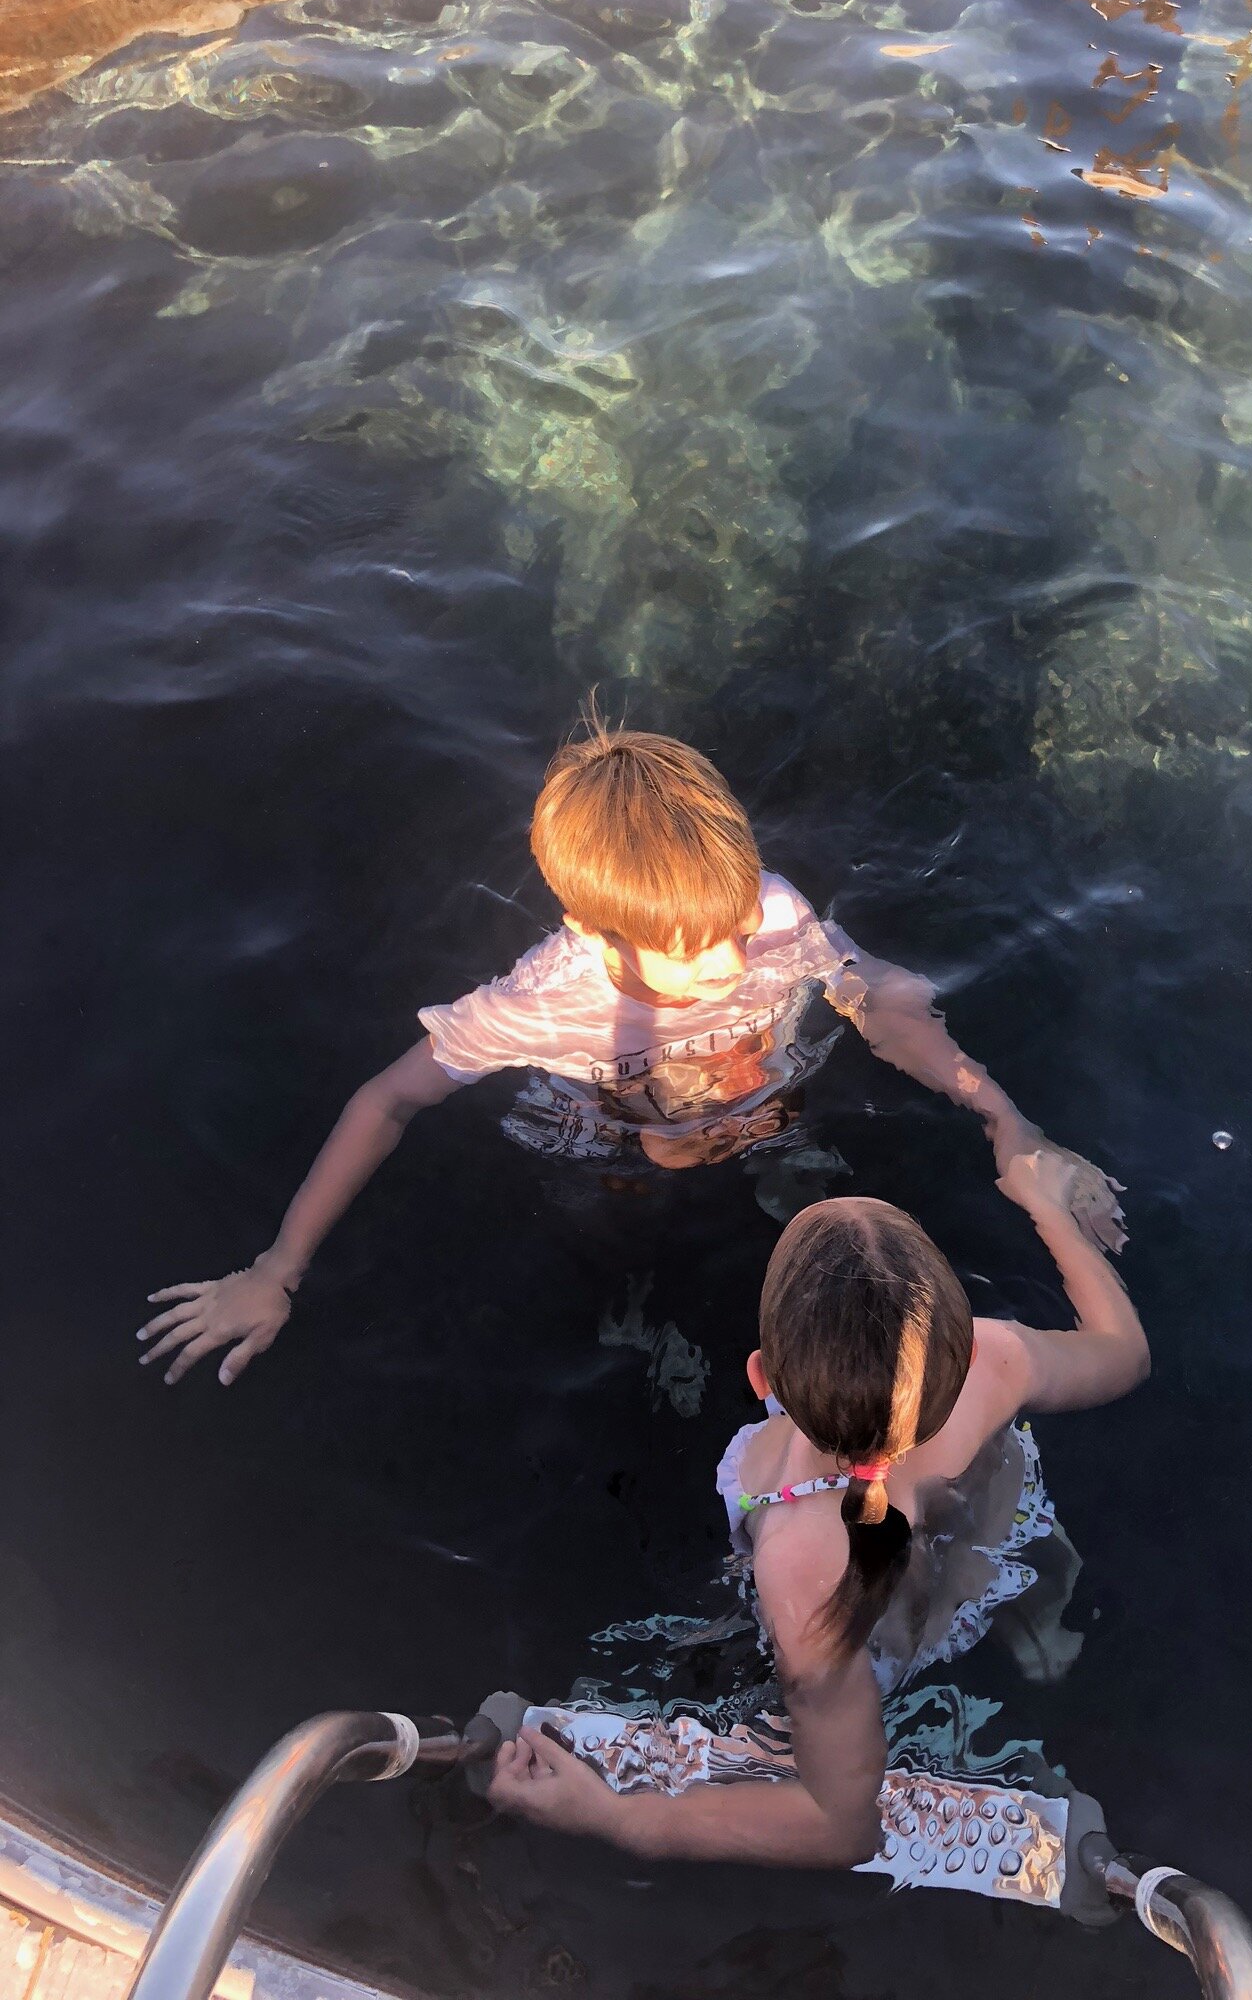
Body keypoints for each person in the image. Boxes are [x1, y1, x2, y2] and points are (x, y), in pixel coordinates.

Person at [139, 725, 1124, 1387]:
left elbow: (871, 998)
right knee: (621, 1230)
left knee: (860, 1072)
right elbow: (387, 1099)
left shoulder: (769, 909)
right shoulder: (547, 1001)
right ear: (589, 925)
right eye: (690, 951)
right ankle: (640, 1308)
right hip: (630, 1151)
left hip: (763, 1105)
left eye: (735, 928)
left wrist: (1007, 1117)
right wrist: (279, 1264)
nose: (729, 960)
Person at [478, 1146, 1148, 1882]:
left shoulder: (797, 1564)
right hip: (1000, 1542)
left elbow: (841, 1826)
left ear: (763, 1377)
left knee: (786, 1698)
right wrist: (1048, 1208)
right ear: (952, 1357)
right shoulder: (996, 1359)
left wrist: (616, 1819)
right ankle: (1038, 1630)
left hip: (870, 1625)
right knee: (1017, 1568)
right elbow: (1125, 1353)